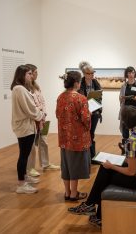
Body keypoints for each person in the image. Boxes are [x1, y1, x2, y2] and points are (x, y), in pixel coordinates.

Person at [68, 106, 136, 228]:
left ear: (124, 122)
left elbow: (131, 172)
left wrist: (112, 166)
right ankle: (94, 211)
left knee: (105, 171)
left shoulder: (132, 140)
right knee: (106, 169)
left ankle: (92, 207)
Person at [56, 71, 91, 201]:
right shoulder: (81, 98)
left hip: (64, 137)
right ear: (76, 83)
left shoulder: (60, 97)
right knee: (75, 165)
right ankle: (74, 193)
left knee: (65, 165)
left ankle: (67, 192)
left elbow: (57, 114)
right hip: (77, 138)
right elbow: (86, 119)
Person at [11, 65, 45, 194]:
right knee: (23, 156)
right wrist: (41, 115)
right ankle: (21, 184)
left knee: (24, 154)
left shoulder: (20, 88)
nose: (32, 76)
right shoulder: (19, 89)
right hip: (24, 127)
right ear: (22, 75)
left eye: (32, 73)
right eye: (29, 74)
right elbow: (30, 108)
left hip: (26, 126)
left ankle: (24, 177)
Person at [26, 64, 60, 177]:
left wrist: (44, 113)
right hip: (33, 120)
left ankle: (46, 164)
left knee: (44, 141)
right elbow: (31, 106)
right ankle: (30, 168)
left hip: (42, 119)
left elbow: (42, 101)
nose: (36, 74)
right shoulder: (25, 88)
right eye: (34, 72)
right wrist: (38, 114)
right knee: (30, 145)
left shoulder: (36, 86)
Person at [78, 61, 102, 162]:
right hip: (84, 112)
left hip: (95, 112)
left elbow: (99, 97)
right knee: (84, 133)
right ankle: (85, 156)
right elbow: (79, 99)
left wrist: (95, 108)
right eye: (90, 73)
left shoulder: (95, 82)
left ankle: (92, 156)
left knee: (91, 133)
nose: (92, 75)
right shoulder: (80, 83)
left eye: (93, 73)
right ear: (84, 74)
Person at [118, 66, 136, 154]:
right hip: (125, 111)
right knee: (125, 132)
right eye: (129, 73)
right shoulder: (123, 86)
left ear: (135, 74)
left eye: (132, 72)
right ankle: (125, 151)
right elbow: (120, 99)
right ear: (126, 74)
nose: (131, 75)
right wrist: (121, 98)